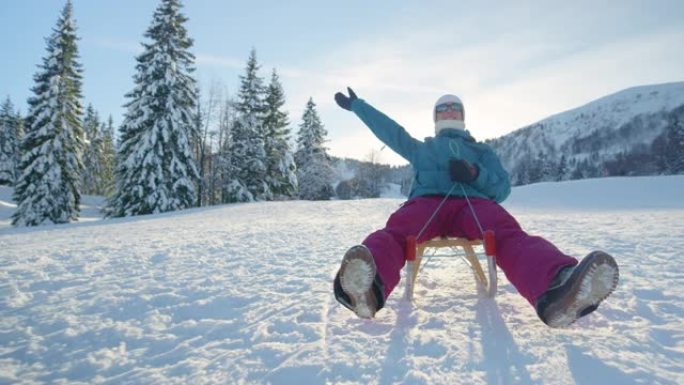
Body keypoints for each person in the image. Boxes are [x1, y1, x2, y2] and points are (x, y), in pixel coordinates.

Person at [332, 87, 619, 328]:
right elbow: (391, 132)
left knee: (506, 233)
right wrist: (359, 106)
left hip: (472, 206)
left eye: (453, 110)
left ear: (462, 116)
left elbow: (502, 188)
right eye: (442, 111)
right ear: (435, 118)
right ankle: (367, 287)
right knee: (398, 230)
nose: (449, 115)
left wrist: (473, 174)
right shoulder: (423, 149)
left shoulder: (481, 152)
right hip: (427, 204)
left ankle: (557, 287)